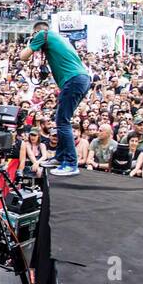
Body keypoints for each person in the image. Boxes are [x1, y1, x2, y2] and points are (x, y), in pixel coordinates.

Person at [20, 20, 91, 176]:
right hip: (80, 79)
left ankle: (71, 163)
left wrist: (31, 42)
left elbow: (23, 56)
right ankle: (59, 157)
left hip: (74, 80)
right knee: (61, 119)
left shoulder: (42, 34)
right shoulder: (56, 38)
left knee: (62, 121)